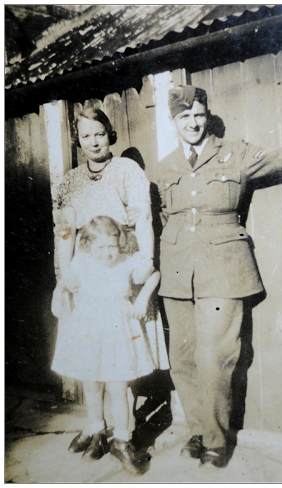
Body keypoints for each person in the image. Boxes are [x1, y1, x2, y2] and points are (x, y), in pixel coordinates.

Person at [154, 85, 282, 468]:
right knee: (182, 357)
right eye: (184, 117)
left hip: (224, 267)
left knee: (216, 355)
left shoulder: (236, 154)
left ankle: (216, 438)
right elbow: (168, 217)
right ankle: (197, 431)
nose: (193, 123)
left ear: (207, 115)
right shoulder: (164, 167)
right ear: (174, 121)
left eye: (198, 114)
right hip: (179, 270)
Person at [51, 103, 169, 471]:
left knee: (122, 360)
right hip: (87, 277)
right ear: (78, 141)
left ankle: (124, 433)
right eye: (85, 136)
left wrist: (146, 259)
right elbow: (65, 232)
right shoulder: (69, 181)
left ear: (109, 134)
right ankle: (95, 427)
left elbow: (143, 218)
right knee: (91, 359)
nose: (94, 142)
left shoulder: (127, 170)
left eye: (99, 134)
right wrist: (62, 280)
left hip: (121, 267)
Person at [52, 216, 162, 474]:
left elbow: (153, 274)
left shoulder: (127, 262)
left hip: (117, 333)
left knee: (117, 387)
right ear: (88, 246)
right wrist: (64, 241)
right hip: (89, 332)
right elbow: (68, 281)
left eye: (112, 246)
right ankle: (96, 429)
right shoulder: (81, 262)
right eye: (100, 247)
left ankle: (122, 440)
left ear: (119, 242)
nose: (108, 253)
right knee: (91, 384)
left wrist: (142, 300)